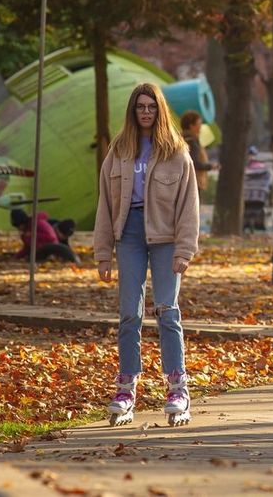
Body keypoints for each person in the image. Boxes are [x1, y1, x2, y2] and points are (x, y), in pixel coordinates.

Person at [92, 82, 200, 426]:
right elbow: (105, 205)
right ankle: (126, 387)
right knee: (129, 314)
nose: (146, 112)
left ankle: (177, 386)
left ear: (160, 110)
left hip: (167, 236)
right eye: (140, 107)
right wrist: (103, 253)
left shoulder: (177, 152)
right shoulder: (119, 151)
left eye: (151, 107)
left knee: (167, 311)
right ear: (132, 110)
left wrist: (185, 250)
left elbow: (189, 206)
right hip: (130, 235)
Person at [11, 208, 79, 264]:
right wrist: (17, 257)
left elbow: (50, 237)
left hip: (50, 247)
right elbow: (28, 247)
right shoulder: (27, 231)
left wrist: (33, 235)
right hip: (43, 247)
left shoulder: (34, 225)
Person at [180, 111, 213, 198]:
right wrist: (210, 166)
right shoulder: (192, 142)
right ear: (191, 126)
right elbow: (195, 163)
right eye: (199, 124)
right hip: (194, 182)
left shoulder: (180, 140)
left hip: (184, 182)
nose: (200, 127)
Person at [242, 146, 271, 232]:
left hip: (248, 195)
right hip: (260, 195)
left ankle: (248, 224)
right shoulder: (263, 168)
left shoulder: (246, 169)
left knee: (248, 210)